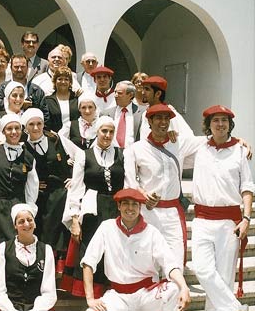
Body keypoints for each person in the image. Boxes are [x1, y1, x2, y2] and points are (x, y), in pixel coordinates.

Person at [81, 188, 191, 311]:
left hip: (147, 294)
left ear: (140, 207)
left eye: (134, 204)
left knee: (175, 288)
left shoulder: (151, 232)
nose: (130, 208)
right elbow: (88, 262)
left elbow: (170, 264)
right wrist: (90, 299)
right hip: (118, 296)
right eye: (126, 203)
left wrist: (184, 287)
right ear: (119, 206)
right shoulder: (106, 228)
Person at [187, 105, 253, 311]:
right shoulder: (198, 147)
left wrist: (246, 219)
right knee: (203, 270)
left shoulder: (240, 151)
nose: (220, 124)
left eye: (224, 120)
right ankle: (237, 309)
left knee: (223, 279)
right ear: (208, 125)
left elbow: (247, 188)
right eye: (215, 120)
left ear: (230, 125)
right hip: (202, 220)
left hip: (229, 222)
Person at [123, 104, 204, 267]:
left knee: (175, 263)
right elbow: (130, 183)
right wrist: (143, 195)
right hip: (148, 212)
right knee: (147, 263)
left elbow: (211, 140)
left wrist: (239, 141)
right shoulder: (136, 149)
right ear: (150, 121)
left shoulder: (179, 143)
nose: (163, 122)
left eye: (167, 118)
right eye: (159, 118)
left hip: (173, 214)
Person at [61, 116, 125, 297]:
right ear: (96, 131)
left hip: (116, 208)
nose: (108, 135)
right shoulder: (84, 155)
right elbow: (76, 188)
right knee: (93, 247)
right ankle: (93, 294)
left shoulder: (122, 154)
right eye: (104, 131)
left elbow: (128, 183)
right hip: (93, 208)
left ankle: (113, 290)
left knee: (115, 248)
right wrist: (74, 219)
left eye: (111, 131)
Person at [22, 109, 72, 266]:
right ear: (25, 128)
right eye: (31, 124)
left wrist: (73, 179)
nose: (36, 128)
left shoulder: (56, 140)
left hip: (58, 195)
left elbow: (80, 157)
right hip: (37, 197)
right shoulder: (23, 147)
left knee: (56, 232)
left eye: (39, 124)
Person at [0, 114, 38, 247]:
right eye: (9, 129)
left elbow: (32, 187)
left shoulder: (28, 157)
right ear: (3, 132)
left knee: (16, 244)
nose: (14, 132)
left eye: (17, 128)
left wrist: (29, 209)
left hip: (18, 205)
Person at [0, 203, 57, 311]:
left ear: (35, 223)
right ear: (15, 226)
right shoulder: (4, 248)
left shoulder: (46, 250)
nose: (26, 224)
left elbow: (49, 292)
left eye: (29, 220)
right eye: (21, 221)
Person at [101, 80, 144, 149]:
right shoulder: (105, 114)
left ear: (130, 95)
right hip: (111, 155)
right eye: (115, 92)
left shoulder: (142, 113)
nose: (116, 95)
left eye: (119, 93)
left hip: (133, 155)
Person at [44, 66, 80, 133]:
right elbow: (46, 122)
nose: (63, 82)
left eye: (66, 79)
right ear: (54, 81)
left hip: (75, 138)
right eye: (60, 79)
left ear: (70, 82)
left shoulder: (77, 99)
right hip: (55, 138)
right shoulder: (48, 101)